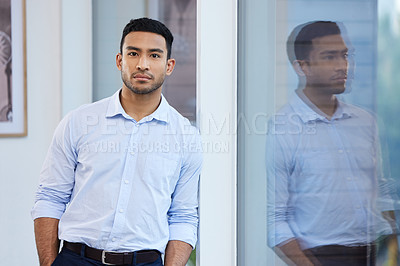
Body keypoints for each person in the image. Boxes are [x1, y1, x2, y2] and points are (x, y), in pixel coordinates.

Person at [32, 17, 202, 266]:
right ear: (120, 60)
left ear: (169, 65)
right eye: (134, 53)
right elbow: (50, 197)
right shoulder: (79, 122)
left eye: (154, 55)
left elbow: (183, 217)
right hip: (76, 258)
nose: (142, 64)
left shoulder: (186, 137)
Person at [266, 21, 398, 265]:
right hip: (322, 256)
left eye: (344, 55)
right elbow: (275, 219)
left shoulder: (365, 122)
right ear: (302, 67)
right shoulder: (283, 129)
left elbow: (381, 191)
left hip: (376, 253)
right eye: (329, 57)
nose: (342, 65)